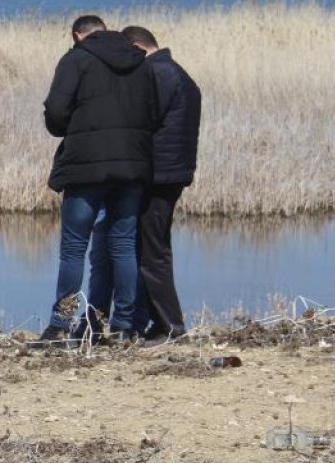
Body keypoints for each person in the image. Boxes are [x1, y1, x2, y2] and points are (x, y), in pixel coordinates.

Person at [36, 15, 157, 345]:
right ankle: (122, 326)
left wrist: (74, 129)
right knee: (123, 245)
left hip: (85, 167)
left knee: (74, 248)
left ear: (77, 35)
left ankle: (61, 324)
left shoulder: (75, 60)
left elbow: (56, 113)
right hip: (132, 167)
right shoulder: (140, 63)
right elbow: (153, 112)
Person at [121, 25, 201, 341]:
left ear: (139, 49)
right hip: (173, 171)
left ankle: (170, 326)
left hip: (160, 174)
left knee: (152, 251)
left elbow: (144, 120)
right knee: (154, 246)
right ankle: (158, 322)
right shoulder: (175, 72)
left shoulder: (158, 73)